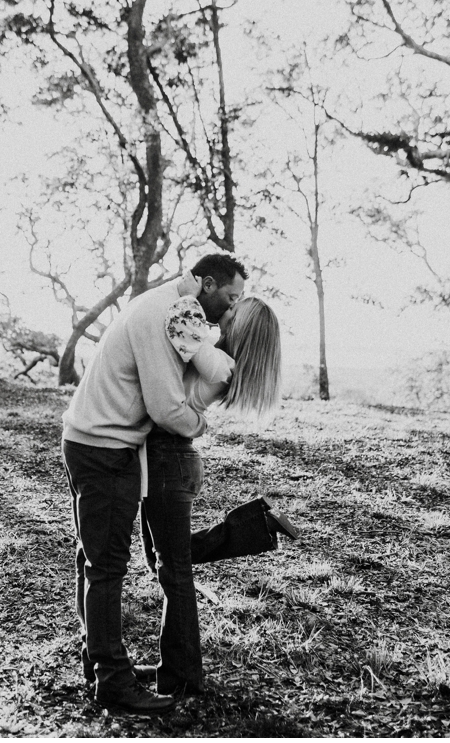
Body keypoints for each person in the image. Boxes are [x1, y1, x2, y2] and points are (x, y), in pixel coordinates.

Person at [61, 252, 246, 714]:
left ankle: (100, 664)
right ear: (205, 284)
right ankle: (113, 683)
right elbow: (167, 410)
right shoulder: (165, 315)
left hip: (90, 440)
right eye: (229, 297)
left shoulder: (170, 306)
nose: (230, 309)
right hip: (106, 449)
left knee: (94, 559)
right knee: (106, 567)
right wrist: (200, 424)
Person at [140, 281, 290, 697]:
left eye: (233, 311)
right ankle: (256, 526)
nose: (226, 312)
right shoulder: (220, 361)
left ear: (240, 329)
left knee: (174, 568)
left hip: (170, 460)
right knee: (164, 560)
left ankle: (182, 676)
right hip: (169, 461)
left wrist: (187, 295)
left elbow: (180, 326)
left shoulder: (218, 362)